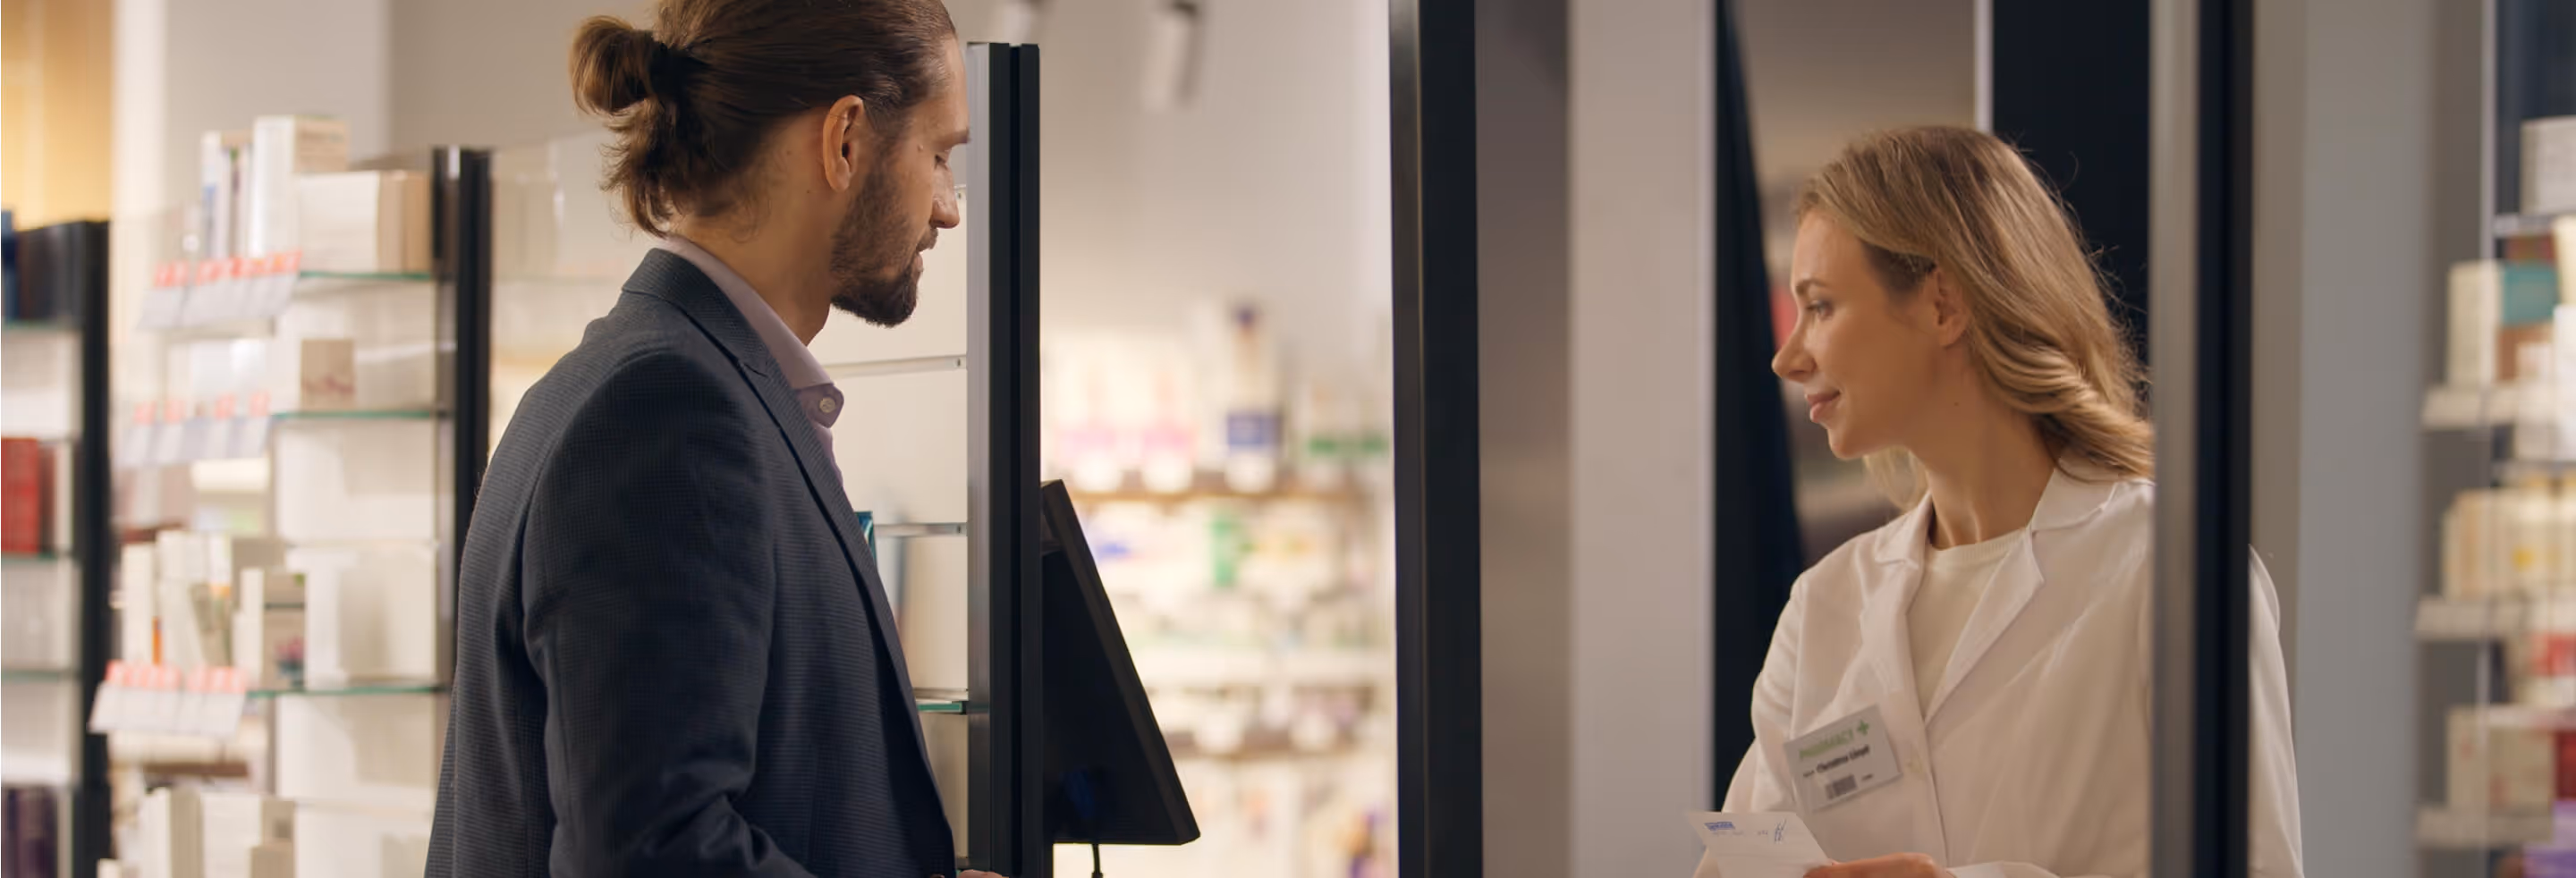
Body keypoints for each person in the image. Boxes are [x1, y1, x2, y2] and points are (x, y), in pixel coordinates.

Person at [426, 1, 1002, 875]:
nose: (949, 208)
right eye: (939, 154)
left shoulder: (666, 380)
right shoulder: (669, 414)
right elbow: (653, 852)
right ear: (845, 140)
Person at [1724, 126, 2302, 878]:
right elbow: (1746, 857)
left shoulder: (2174, 574)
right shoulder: (1824, 606)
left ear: (1943, 304)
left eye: (1822, 306)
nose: (1788, 355)